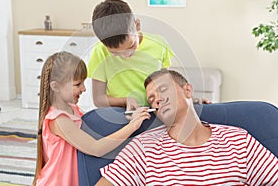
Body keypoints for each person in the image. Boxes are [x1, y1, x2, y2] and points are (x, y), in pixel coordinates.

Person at [96, 69, 278, 185]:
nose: (157, 99)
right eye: (151, 99)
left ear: (188, 90)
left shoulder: (238, 140)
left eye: (163, 89)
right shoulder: (143, 148)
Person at [32, 51, 151, 186]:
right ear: (55, 86)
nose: (84, 89)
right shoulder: (59, 120)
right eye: (78, 84)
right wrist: (132, 126)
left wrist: (126, 104)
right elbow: (95, 148)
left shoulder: (72, 109)